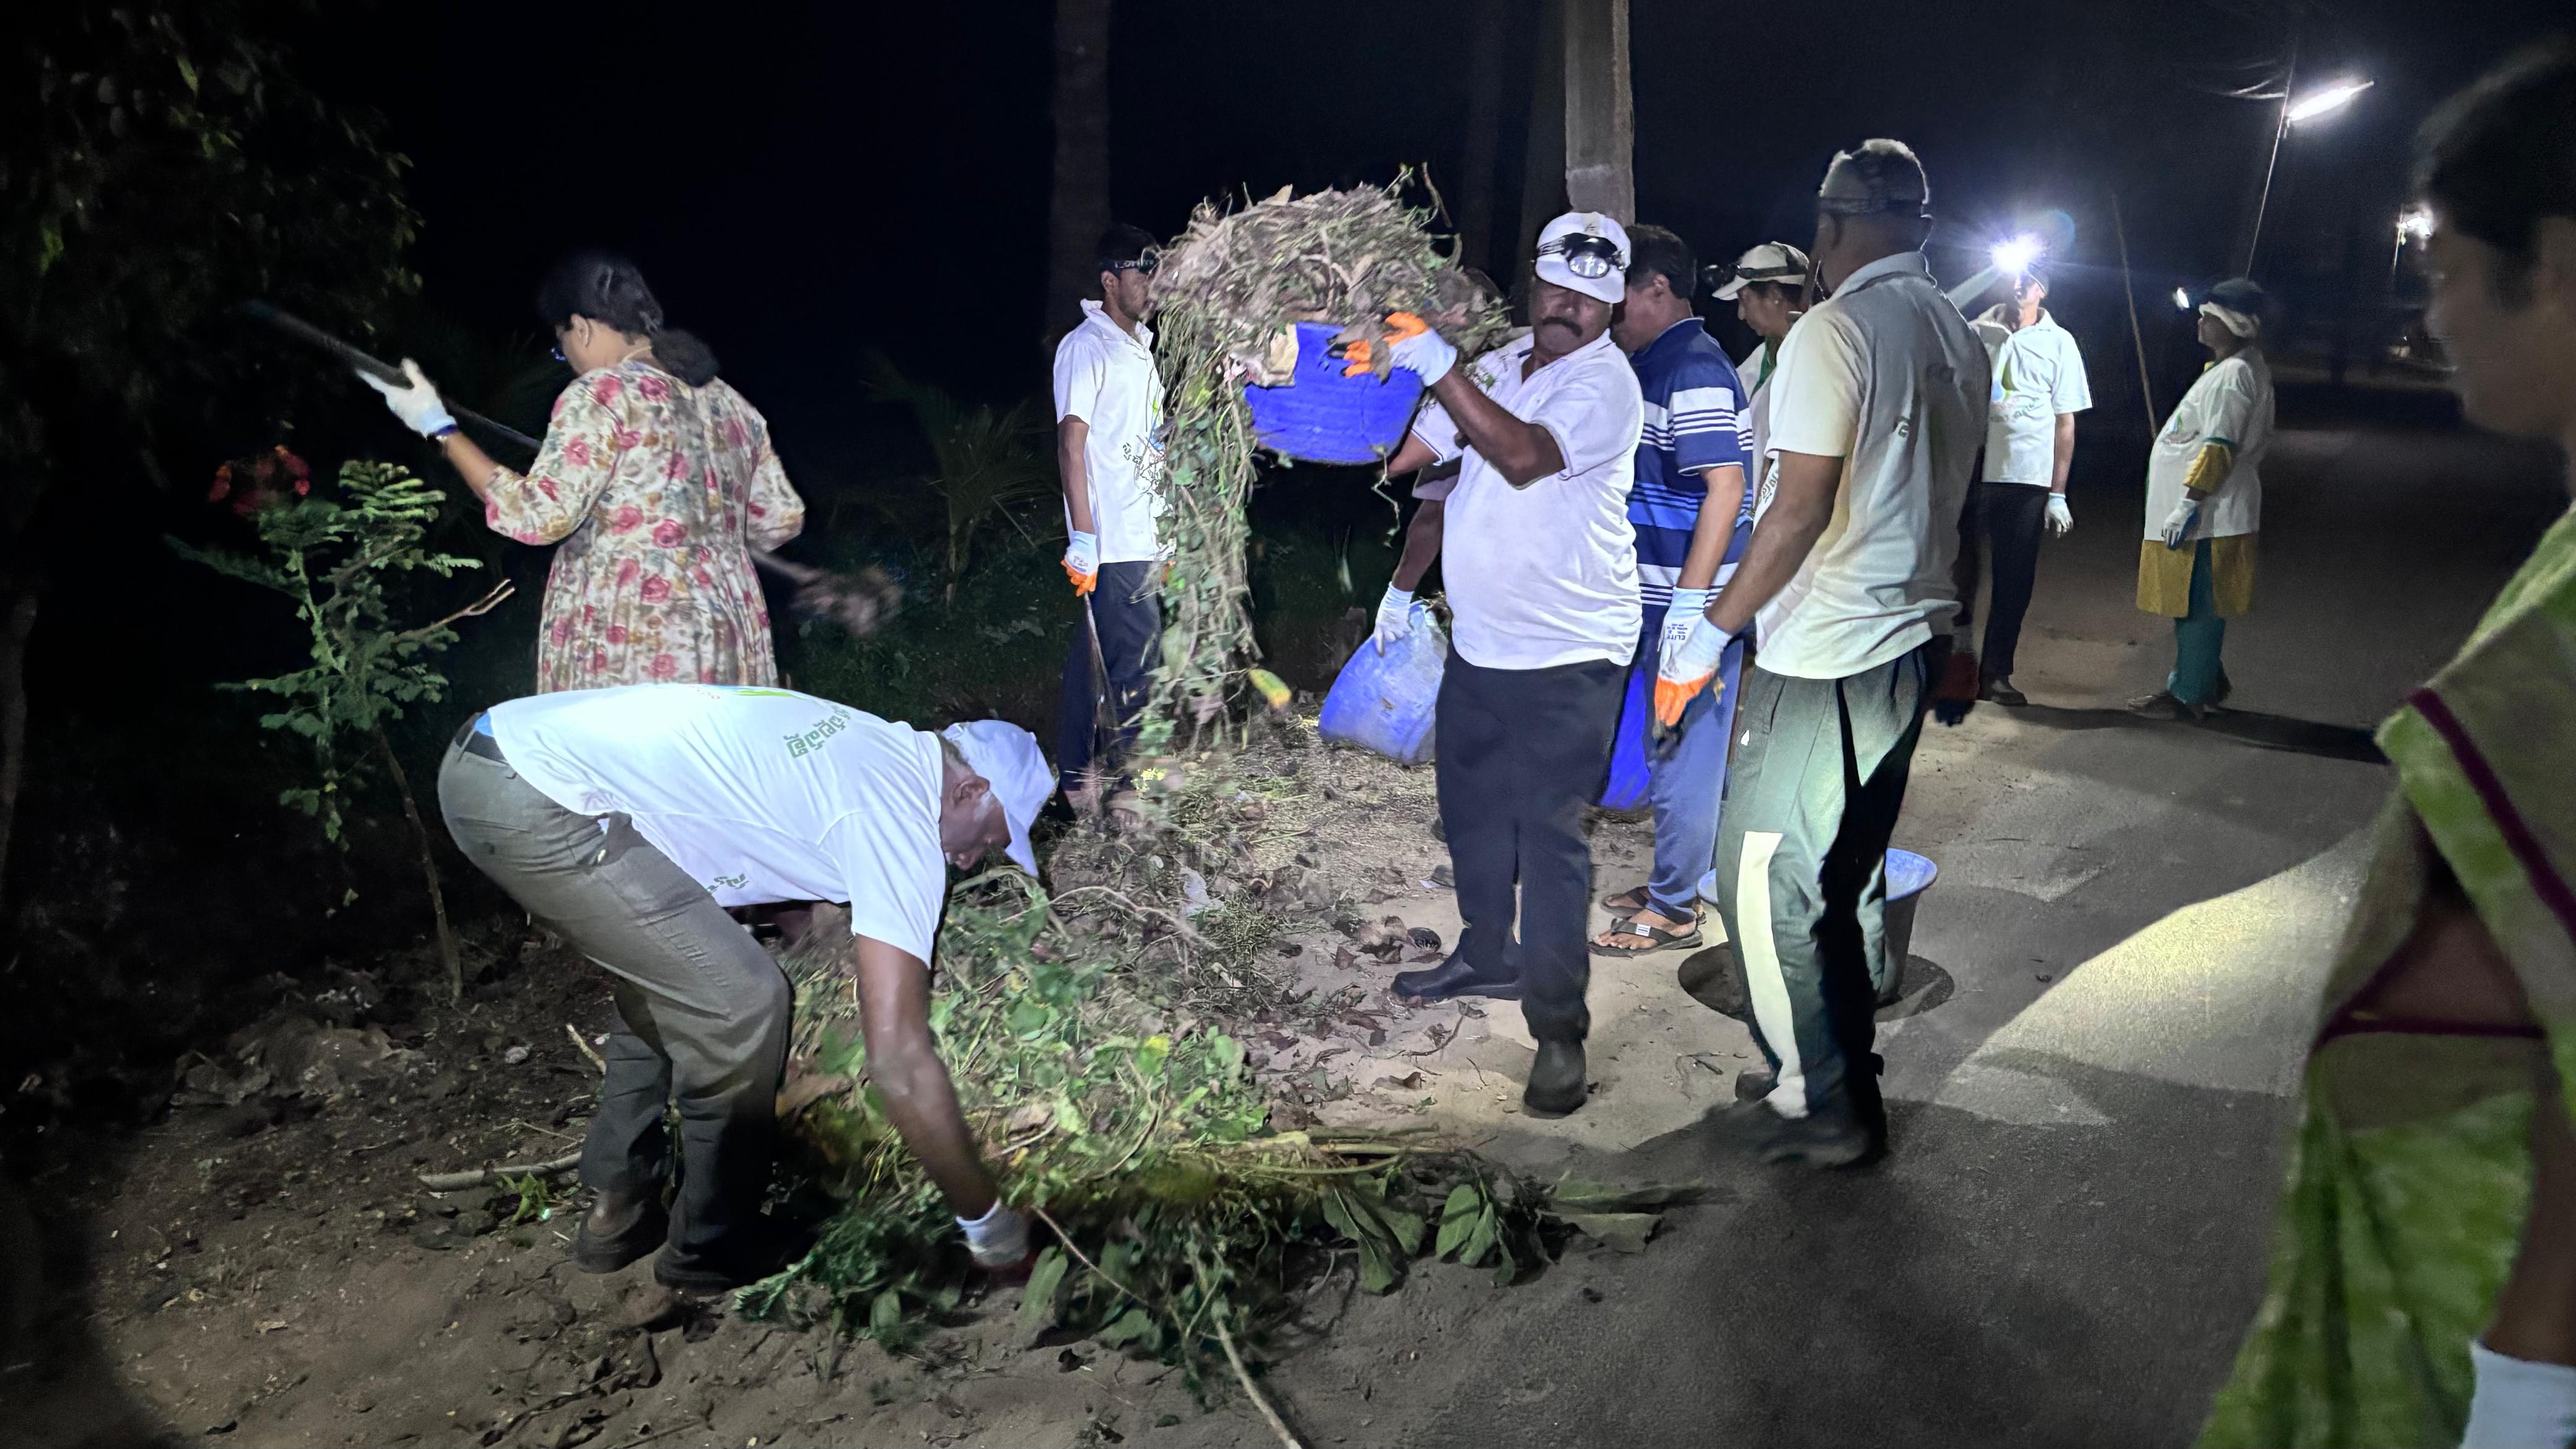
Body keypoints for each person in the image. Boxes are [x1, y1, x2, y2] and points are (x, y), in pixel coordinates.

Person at [2198, 45, 2576, 1448]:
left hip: (2485, 1329)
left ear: (2555, 265)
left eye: (2447, 268)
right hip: (2421, 1305)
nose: (2433, 310)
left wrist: (2534, 1381)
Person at [437, 684, 1054, 1292]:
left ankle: (618, 1208)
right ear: (969, 789)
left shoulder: (878, 747)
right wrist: (990, 1227)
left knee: (672, 970)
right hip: (537, 797)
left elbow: (766, 830)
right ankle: (713, 1243)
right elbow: (898, 1062)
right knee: (743, 1003)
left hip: (499, 757)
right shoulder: (899, 818)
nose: (971, 860)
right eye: (991, 837)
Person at [1656, 139, 1987, 1165]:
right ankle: (1837, 1067)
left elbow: (1796, 510)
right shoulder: (1958, 335)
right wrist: (1966, 632)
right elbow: (1965, 504)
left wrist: (1704, 635)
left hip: (1826, 653)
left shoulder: (1833, 332)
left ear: (1831, 227)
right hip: (1910, 647)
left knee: (1761, 877)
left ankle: (1819, 1100)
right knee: (1841, 876)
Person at [1364, 212, 1646, 1118]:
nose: (1569, 308)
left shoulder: (1606, 384)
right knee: (1473, 815)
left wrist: (1439, 366)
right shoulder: (1499, 362)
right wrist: (1339, 393)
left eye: (1591, 298)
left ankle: (1559, 1035)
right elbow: (1408, 458)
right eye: (1557, 288)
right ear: (1535, 282)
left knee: (1551, 839)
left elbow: (1521, 457)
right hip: (1483, 645)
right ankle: (1487, 953)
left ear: (1613, 304)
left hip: (1571, 655)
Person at [360, 252, 806, 690]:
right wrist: (693, 531)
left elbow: (539, 516)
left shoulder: (601, 393)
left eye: (563, 348)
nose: (569, 360)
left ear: (582, 328)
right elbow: (780, 519)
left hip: (637, 632)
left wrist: (438, 427)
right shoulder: (731, 404)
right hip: (730, 628)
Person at [1585, 225, 1756, 959]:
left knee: (1685, 751)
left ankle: (1677, 908)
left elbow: (1726, 487)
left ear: (1656, 287)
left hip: (1693, 603)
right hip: (1654, 596)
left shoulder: (1693, 369)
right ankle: (1670, 882)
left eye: (1615, 296)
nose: (1605, 312)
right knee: (1664, 747)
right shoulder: (1649, 363)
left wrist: (1693, 611)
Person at [1053, 224, 1170, 820]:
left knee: (1093, 661)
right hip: (1114, 537)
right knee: (1137, 664)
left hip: (1144, 531)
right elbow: (1071, 445)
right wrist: (1084, 536)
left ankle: (1075, 781)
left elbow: (1149, 443)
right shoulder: (1086, 347)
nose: (1150, 284)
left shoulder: (1141, 349)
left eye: (1155, 273)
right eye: (1141, 273)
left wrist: (1167, 535)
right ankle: (1132, 787)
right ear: (1109, 280)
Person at [2131, 277, 2276, 722]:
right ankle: (2201, 680)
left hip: (2210, 513)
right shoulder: (2231, 368)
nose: (2200, 323)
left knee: (2197, 606)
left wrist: (2188, 505)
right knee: (2193, 605)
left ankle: (2190, 696)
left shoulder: (2234, 376)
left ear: (2234, 324)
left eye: (2209, 317)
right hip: (2210, 510)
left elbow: (2219, 448)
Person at [1956, 261, 2092, 705]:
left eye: (2030, 280)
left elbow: (2065, 422)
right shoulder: (1974, 332)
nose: (2020, 286)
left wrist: (2058, 493)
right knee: (1958, 574)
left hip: (2027, 478)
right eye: (2014, 276)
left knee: (2014, 580)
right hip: (1973, 469)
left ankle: (1996, 674)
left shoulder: (2059, 342)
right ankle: (1956, 668)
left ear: (2043, 290)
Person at [1712, 241, 1813, 473]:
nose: (1741, 314)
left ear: (1775, 294)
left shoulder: (1818, 351)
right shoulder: (1761, 358)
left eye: (1745, 299)